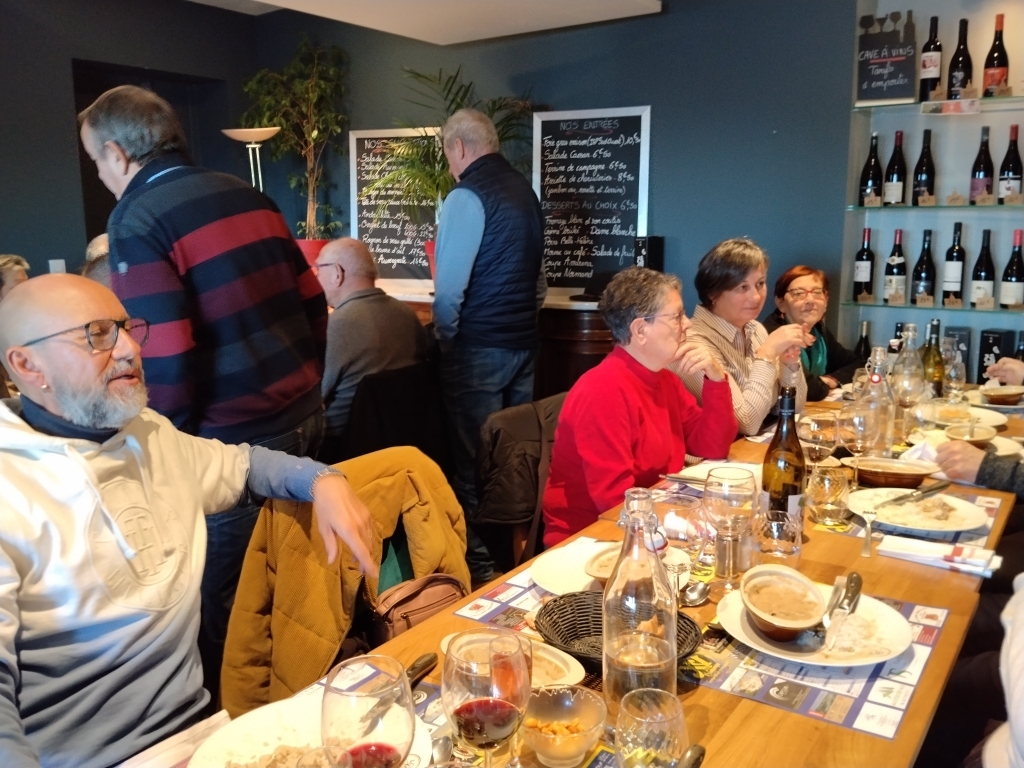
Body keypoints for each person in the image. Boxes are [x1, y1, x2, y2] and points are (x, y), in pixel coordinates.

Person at [0, 274, 374, 768]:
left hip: (199, 732)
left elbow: (246, 466)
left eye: (126, 327)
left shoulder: (149, 434)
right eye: (98, 334)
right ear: (27, 365)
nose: (131, 349)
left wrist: (322, 480)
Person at [78, 85, 329, 704]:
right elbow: (314, 303)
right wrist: (305, 380)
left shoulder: (137, 219)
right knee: (299, 592)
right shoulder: (249, 195)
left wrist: (162, 443)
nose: (101, 174)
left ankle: (241, 730)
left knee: (233, 622)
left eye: (95, 160)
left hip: (233, 445)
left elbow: (163, 356)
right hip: (306, 418)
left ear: (116, 154)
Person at [542, 268, 737, 547]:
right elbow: (614, 500)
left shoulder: (665, 380)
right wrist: (682, 521)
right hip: (592, 537)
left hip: (646, 521)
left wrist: (716, 378)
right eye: (677, 316)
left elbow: (713, 447)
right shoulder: (603, 390)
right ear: (640, 330)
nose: (688, 324)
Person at [432, 107, 546, 584]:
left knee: (472, 464)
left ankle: (479, 569)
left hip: (479, 349)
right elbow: (538, 282)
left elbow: (449, 290)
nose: (449, 165)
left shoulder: (466, 195)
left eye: (447, 154)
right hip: (524, 345)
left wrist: (446, 340)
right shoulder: (525, 191)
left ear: (459, 147)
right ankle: (515, 556)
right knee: (513, 459)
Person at [679, 238, 813, 436]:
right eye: (742, 287)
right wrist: (767, 353)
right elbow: (745, 424)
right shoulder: (693, 342)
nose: (756, 297)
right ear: (713, 294)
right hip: (719, 451)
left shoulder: (755, 329)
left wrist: (789, 363)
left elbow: (793, 408)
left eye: (760, 284)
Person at [315, 238, 430, 461]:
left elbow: (310, 399)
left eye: (318, 269)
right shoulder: (407, 316)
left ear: (337, 273)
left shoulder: (335, 326)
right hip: (402, 442)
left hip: (338, 450)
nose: (316, 278)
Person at [763, 266, 863, 401]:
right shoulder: (772, 334)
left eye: (817, 292)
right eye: (798, 293)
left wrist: (830, 380)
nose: (810, 300)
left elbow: (858, 364)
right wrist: (820, 385)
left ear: (826, 300)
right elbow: (810, 390)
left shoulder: (819, 331)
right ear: (781, 303)